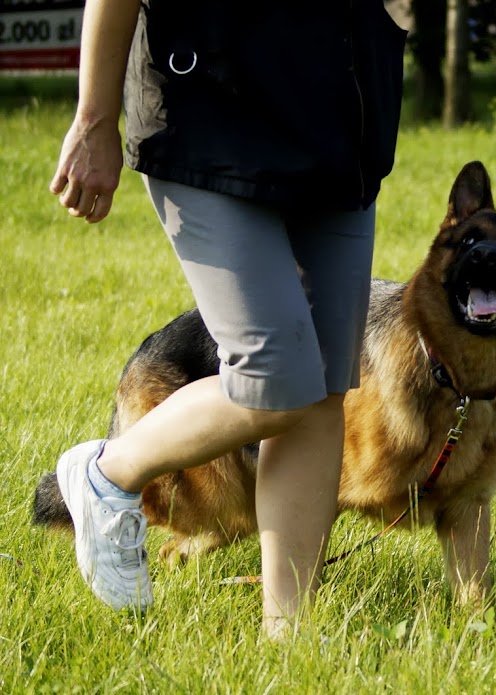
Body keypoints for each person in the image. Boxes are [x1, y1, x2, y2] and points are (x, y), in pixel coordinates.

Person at [48, 0, 406, 638]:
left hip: (340, 118)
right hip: (209, 109)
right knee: (276, 376)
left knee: (324, 388)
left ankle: (288, 635)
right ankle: (108, 474)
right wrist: (94, 117)